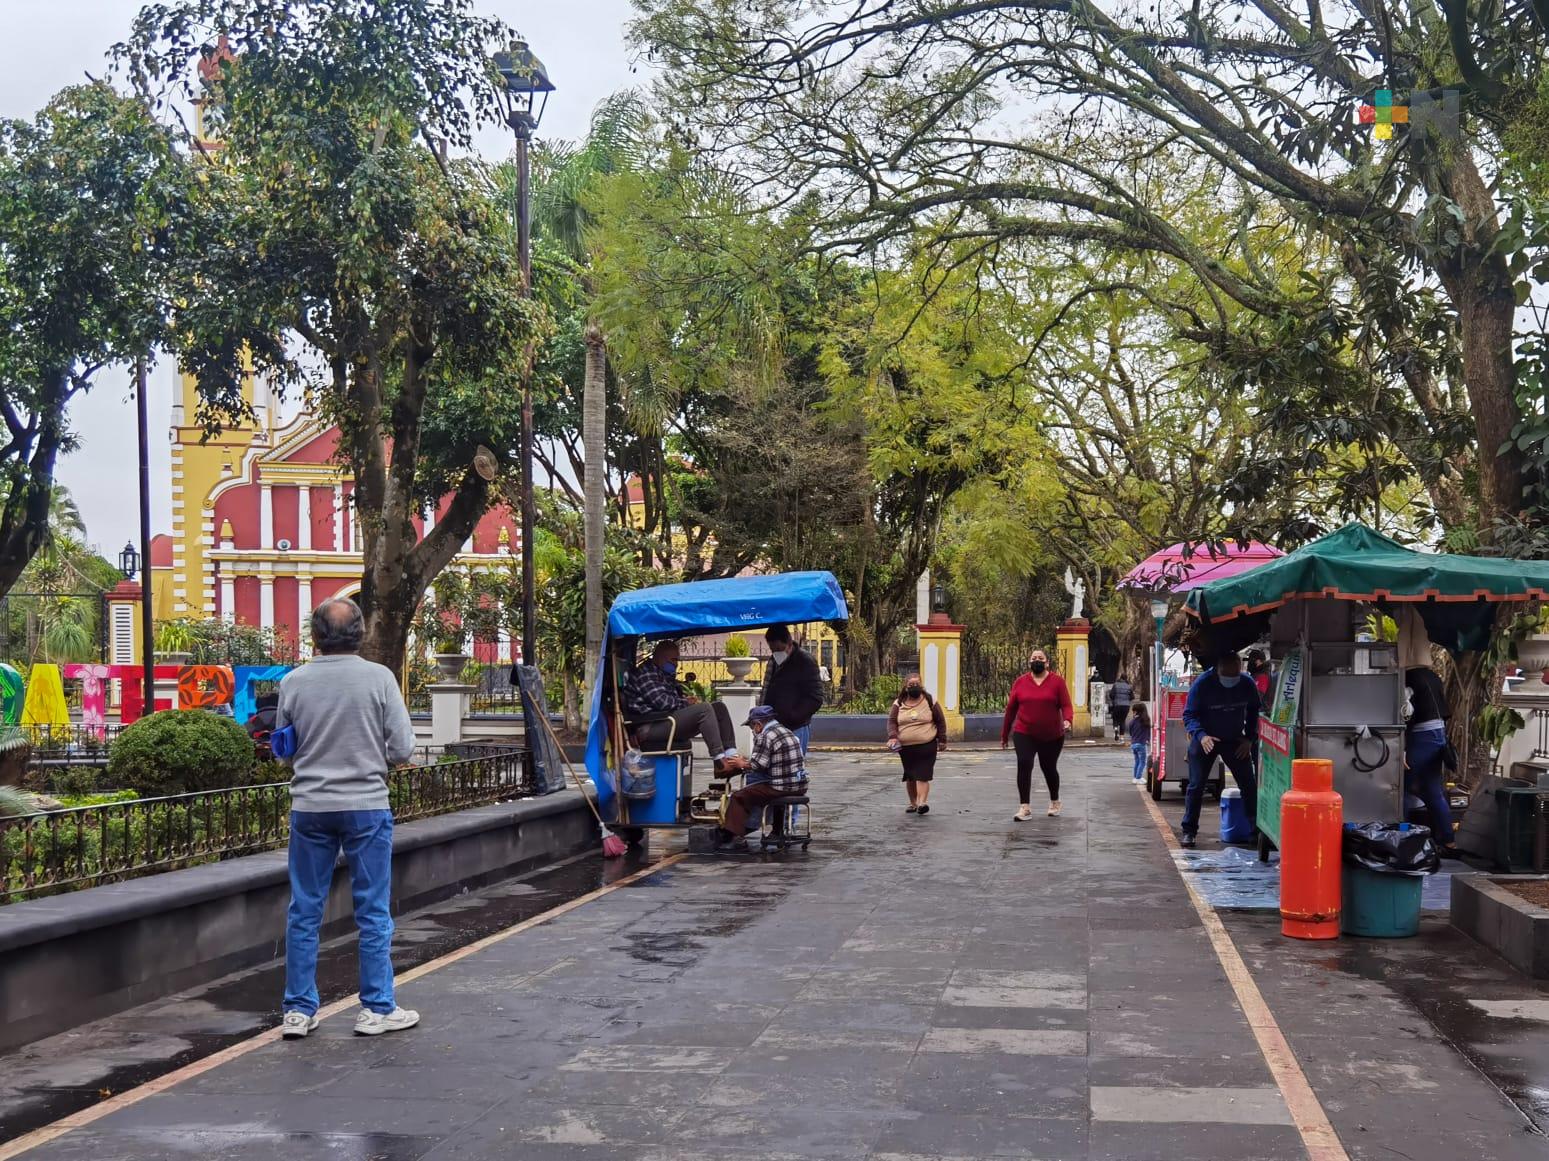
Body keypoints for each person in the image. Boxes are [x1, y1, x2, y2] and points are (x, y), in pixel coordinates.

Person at [276, 598, 418, 1040]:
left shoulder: (294, 682)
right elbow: (402, 749)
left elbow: (283, 751)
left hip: (311, 808)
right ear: (360, 633)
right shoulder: (379, 679)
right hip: (366, 806)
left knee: (304, 910)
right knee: (372, 910)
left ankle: (298, 1011)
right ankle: (377, 1008)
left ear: (314, 634)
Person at [1179, 650, 1260, 849]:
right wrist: (1201, 735)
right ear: (1217, 670)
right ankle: (1189, 831)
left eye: (1235, 676)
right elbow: (1189, 715)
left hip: (1234, 739)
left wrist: (1249, 739)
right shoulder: (1203, 684)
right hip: (1206, 738)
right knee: (1196, 786)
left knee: (1249, 784)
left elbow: (1254, 713)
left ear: (1240, 670)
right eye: (1227, 676)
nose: (1231, 680)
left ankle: (1255, 831)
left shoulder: (1247, 684)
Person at [623, 640, 740, 773]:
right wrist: (685, 703)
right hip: (650, 727)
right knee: (705, 709)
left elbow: (670, 698)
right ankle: (720, 761)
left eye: (677, 660)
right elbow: (663, 703)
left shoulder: (662, 673)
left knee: (719, 708)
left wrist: (683, 698)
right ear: (661, 658)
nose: (675, 664)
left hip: (665, 721)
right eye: (673, 660)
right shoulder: (646, 673)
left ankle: (731, 756)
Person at [713, 705, 808, 851]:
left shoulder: (765, 735)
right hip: (800, 785)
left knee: (739, 796)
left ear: (758, 724)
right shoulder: (787, 731)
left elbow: (758, 765)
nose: (752, 731)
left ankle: (734, 836)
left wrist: (741, 763)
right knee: (765, 791)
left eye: (752, 727)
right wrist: (747, 762)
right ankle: (777, 831)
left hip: (781, 787)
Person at [1000, 648, 1073, 820]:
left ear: (1047, 662)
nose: (1037, 660)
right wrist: (1004, 734)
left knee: (1048, 768)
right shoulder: (1020, 682)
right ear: (1029, 662)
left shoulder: (1057, 682)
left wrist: (1068, 720)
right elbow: (1011, 710)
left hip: (1052, 734)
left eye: (1040, 658)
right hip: (1024, 732)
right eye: (1034, 658)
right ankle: (1024, 807)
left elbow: (1067, 705)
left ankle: (1055, 801)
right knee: (1024, 764)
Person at [1404, 663, 1459, 855]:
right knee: (1433, 790)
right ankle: (1448, 841)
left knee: (1399, 787)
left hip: (1421, 736)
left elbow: (1405, 711)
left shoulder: (1408, 678)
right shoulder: (1433, 676)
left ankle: (1401, 838)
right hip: (1439, 735)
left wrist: (1403, 749)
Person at [888, 672, 947, 815]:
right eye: (911, 685)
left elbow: (940, 720)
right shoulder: (899, 703)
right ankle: (913, 803)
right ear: (906, 687)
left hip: (927, 744)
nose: (914, 687)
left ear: (921, 685)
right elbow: (892, 721)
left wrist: (942, 739)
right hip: (906, 747)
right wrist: (893, 737)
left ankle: (922, 803)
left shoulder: (929, 700)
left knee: (923, 774)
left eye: (917, 684)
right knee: (910, 775)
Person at [760, 623, 825, 753]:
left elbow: (816, 697)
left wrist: (793, 716)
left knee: (795, 767)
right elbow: (766, 688)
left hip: (796, 727)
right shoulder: (773, 661)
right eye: (773, 650)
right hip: (774, 725)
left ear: (789, 644)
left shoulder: (805, 661)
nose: (776, 653)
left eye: (779, 649)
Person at [1128, 701, 1152, 783]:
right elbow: (1148, 733)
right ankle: (1138, 778)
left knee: (1137, 761)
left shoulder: (1132, 721)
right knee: (1142, 762)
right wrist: (1148, 740)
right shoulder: (1146, 721)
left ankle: (1135, 777)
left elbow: (1130, 733)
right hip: (1141, 744)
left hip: (1133, 744)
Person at [1107, 674, 1134, 739]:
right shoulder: (1129, 686)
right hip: (1126, 706)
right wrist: (1127, 700)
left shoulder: (1115, 685)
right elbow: (1132, 697)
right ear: (1126, 678)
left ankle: (1116, 729)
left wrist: (1114, 700)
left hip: (1117, 705)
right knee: (1122, 720)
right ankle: (1122, 736)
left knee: (1115, 718)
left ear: (1120, 678)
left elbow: (1111, 695)